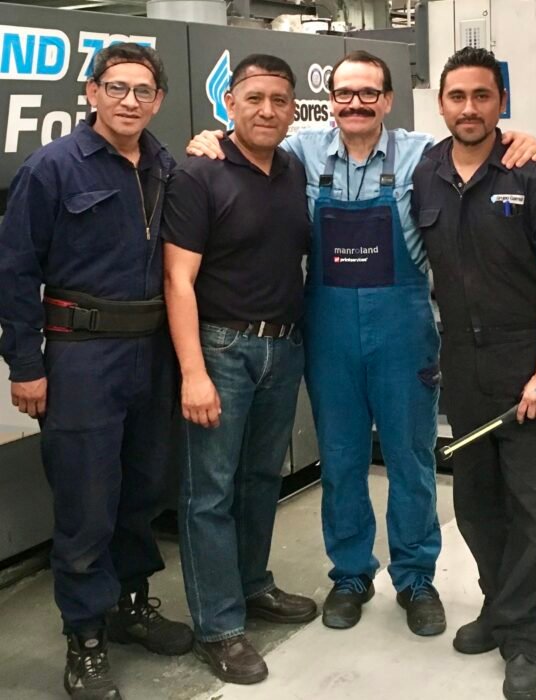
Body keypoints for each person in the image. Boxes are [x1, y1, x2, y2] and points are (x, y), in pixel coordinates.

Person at [187, 50, 536, 638]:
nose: (355, 103)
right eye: (344, 93)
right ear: (330, 100)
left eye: (368, 93)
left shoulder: (424, 155)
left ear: (388, 99)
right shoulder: (299, 153)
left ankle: (416, 577)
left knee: (410, 456)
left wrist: (519, 141)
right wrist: (211, 140)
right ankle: (351, 574)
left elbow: (480, 147)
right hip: (328, 329)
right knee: (342, 457)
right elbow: (243, 147)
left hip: (403, 327)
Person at [0, 43, 193, 700]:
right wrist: (25, 365)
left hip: (152, 354)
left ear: (158, 99)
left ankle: (129, 604)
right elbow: (14, 272)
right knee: (86, 502)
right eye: (116, 87)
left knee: (143, 488)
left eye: (142, 90)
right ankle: (84, 636)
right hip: (82, 357)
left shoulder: (166, 167)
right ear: (92, 92)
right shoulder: (51, 168)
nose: (129, 101)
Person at [411, 47, 536, 700]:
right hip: (463, 368)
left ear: (501, 102)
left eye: (482, 95)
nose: (469, 108)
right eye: (457, 96)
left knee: (534, 509)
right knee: (477, 503)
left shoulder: (533, 175)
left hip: (526, 364)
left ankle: (525, 635)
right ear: (441, 103)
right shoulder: (426, 172)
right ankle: (498, 604)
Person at [161, 54, 316, 686]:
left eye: (280, 100)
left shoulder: (292, 169)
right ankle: (218, 627)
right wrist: (193, 372)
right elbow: (178, 280)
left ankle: (253, 586)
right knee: (209, 493)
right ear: (230, 103)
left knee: (258, 481)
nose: (267, 110)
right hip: (221, 349)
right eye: (254, 98)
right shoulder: (199, 172)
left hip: (282, 348)